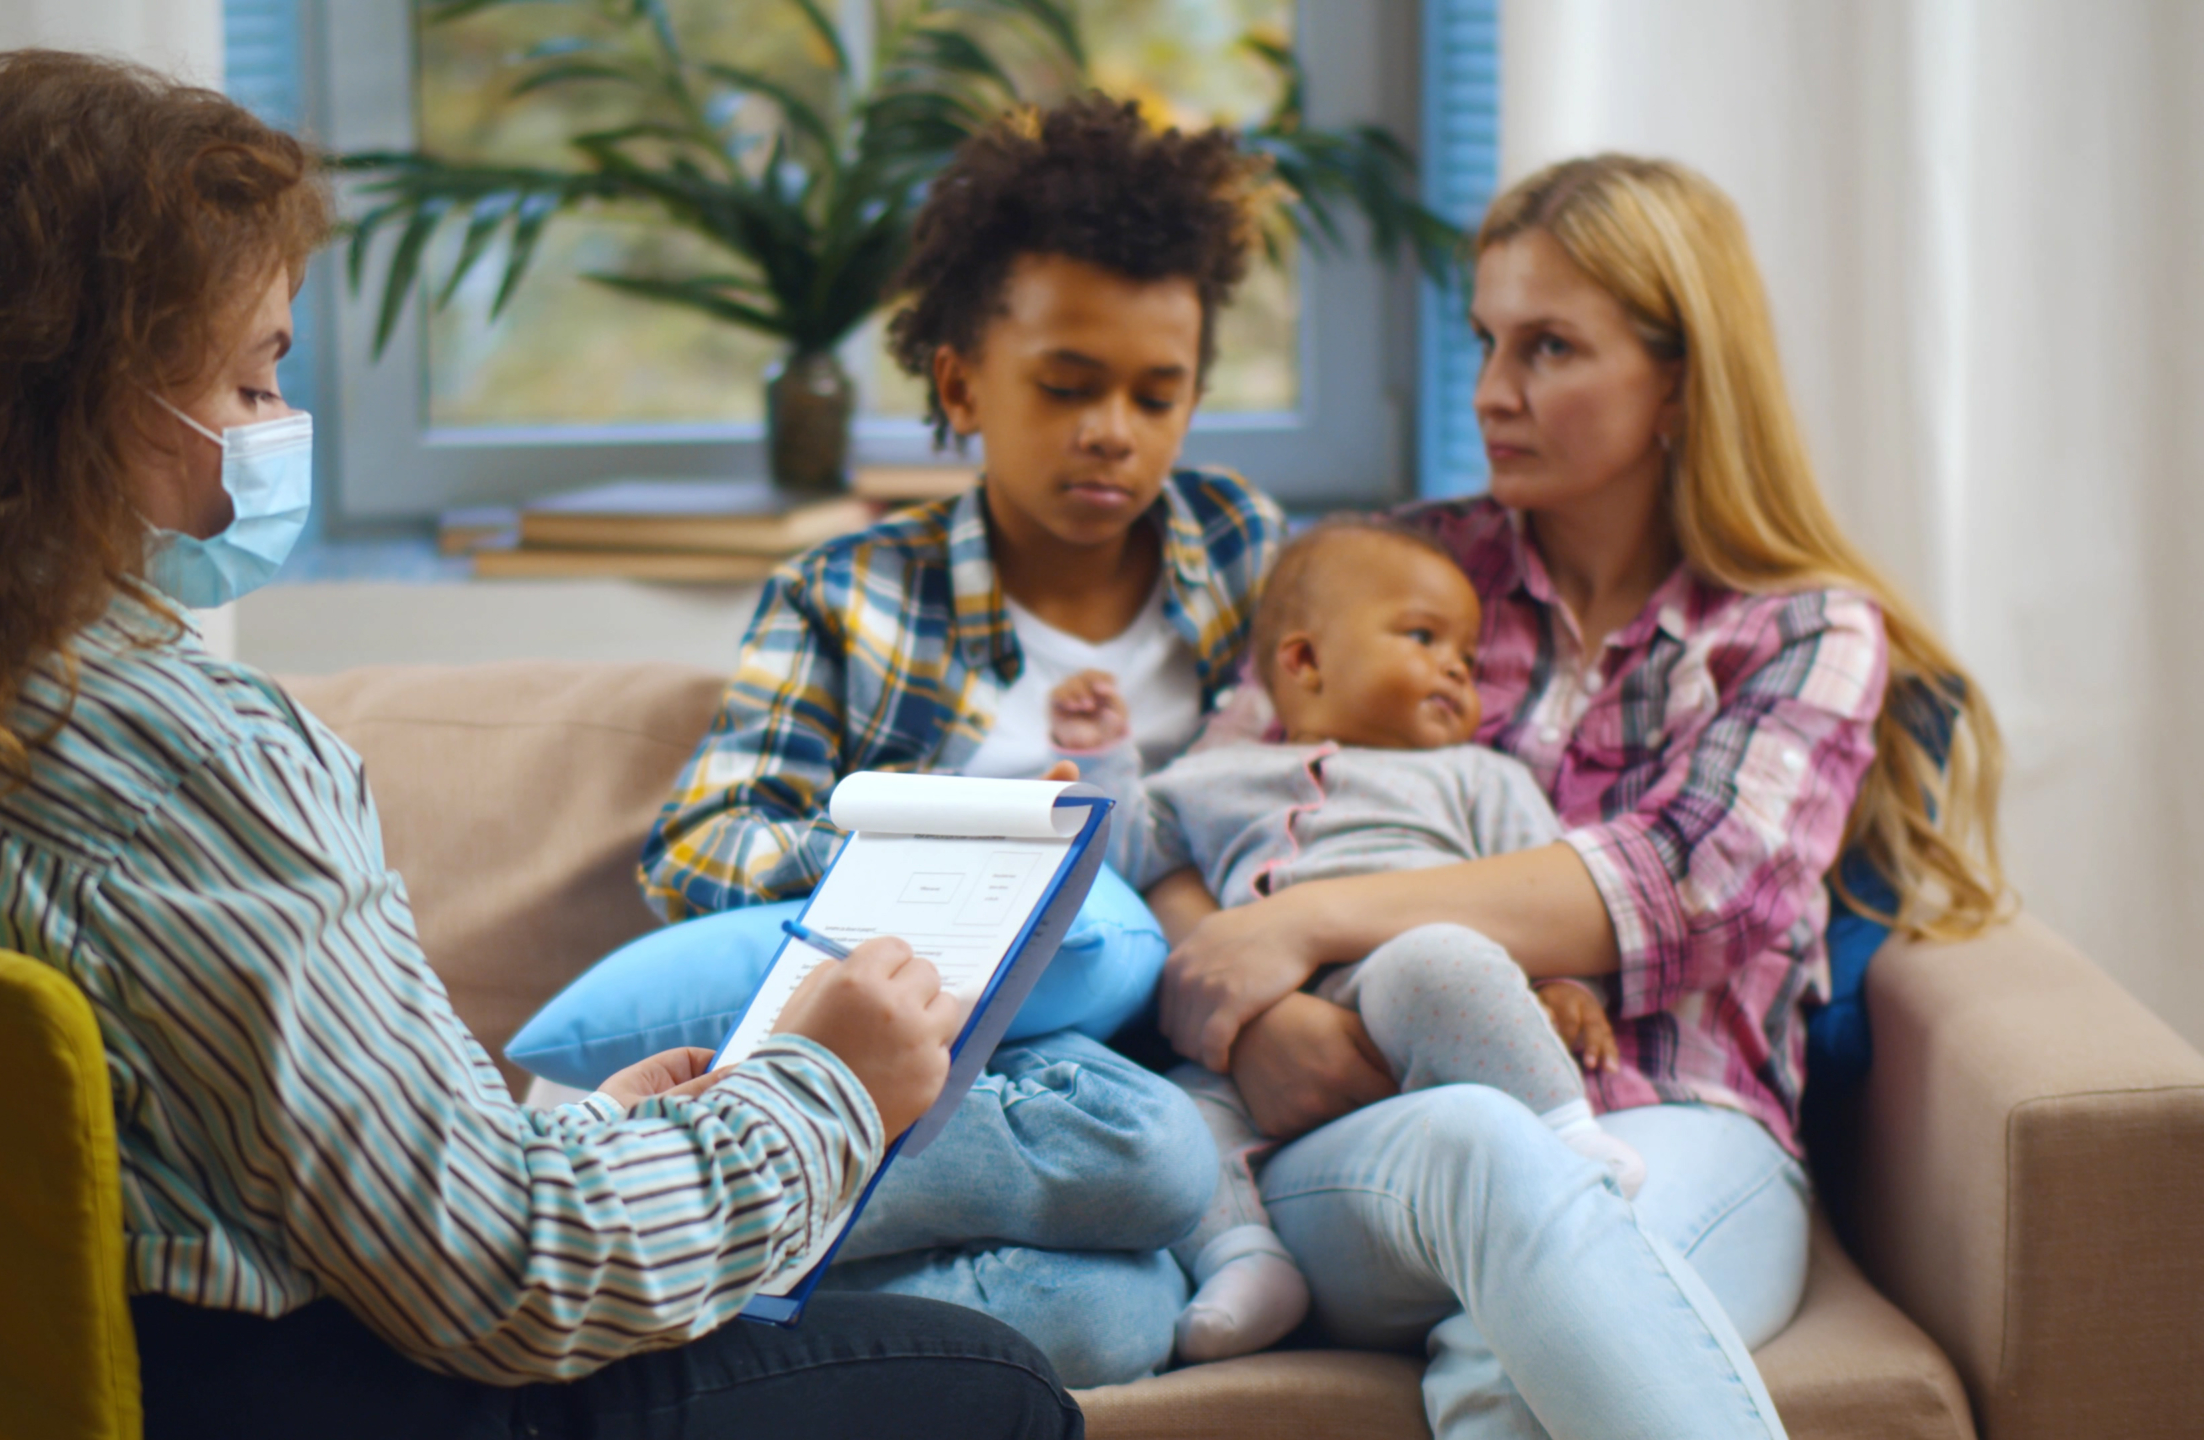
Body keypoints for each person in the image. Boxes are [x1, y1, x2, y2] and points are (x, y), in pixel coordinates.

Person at [0, 51, 1085, 1440]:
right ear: (81, 404)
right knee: (991, 1383)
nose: (279, 425)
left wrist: (588, 1131)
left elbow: (227, 1170)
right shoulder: (190, 773)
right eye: (251, 382)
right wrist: (825, 1089)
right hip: (301, 1403)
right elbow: (506, 1276)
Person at [1147, 154, 2010, 1438]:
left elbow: (1687, 886)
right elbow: (1206, 809)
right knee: (1485, 1161)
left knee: (1520, 1351)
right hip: (1372, 1128)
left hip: (1677, 1116)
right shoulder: (1399, 570)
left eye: (1548, 347)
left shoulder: (1798, 629)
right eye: (1486, 341)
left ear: (1679, 379)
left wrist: (1309, 922)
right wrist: (1245, 1015)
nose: (1492, 392)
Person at [639, 94, 1284, 1385]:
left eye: (1157, 394)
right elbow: (697, 849)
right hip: (959, 1071)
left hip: (1166, 1080)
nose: (1114, 429)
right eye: (1067, 385)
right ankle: (661, 1205)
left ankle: (724, 1252)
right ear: (960, 383)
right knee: (1148, 1158)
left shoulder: (1243, 551)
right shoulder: (850, 593)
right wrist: (954, 850)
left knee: (1116, 1312)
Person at [1051, 517, 1641, 1364]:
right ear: (1304, 662)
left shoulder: (1481, 775)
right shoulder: (1210, 776)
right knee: (1170, 1121)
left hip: (1403, 976)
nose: (1456, 668)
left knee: (1445, 960)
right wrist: (1103, 758)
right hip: (1261, 1029)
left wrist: (1568, 992)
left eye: (1467, 658)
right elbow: (1135, 856)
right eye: (1424, 638)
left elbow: (1539, 898)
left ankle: (1569, 1139)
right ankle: (1245, 1260)